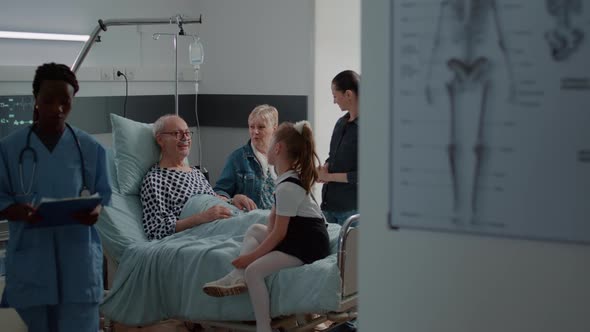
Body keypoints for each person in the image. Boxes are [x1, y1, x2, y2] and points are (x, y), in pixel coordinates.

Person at [0, 63, 112, 331]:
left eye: (65, 102)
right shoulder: (9, 149)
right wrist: (14, 210)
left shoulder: (90, 148)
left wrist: (95, 211)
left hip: (79, 262)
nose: (57, 109)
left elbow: (104, 194)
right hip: (32, 260)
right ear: (35, 100)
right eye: (48, 100)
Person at [203, 121, 330, 332]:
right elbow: (273, 222)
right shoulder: (286, 179)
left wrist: (250, 258)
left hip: (307, 245)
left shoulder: (288, 187)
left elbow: (279, 234)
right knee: (254, 229)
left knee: (254, 271)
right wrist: (259, 248)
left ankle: (263, 326)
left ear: (278, 148)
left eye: (271, 143)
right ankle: (237, 275)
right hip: (299, 237)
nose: (268, 147)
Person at [141, 114, 253, 241]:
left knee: (264, 223)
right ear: (160, 140)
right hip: (206, 229)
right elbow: (156, 230)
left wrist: (232, 200)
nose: (185, 138)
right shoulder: (155, 179)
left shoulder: (196, 172)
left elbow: (212, 201)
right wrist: (202, 218)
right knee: (263, 229)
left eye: (188, 133)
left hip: (227, 217)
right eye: (177, 133)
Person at [214, 104, 279, 210]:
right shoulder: (237, 159)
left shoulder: (283, 157)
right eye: (251, 127)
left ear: (274, 129)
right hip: (251, 220)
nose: (255, 132)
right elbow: (219, 193)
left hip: (281, 219)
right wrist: (233, 200)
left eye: (261, 127)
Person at [319, 70, 360, 227]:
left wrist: (330, 177)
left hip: (352, 209)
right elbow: (334, 156)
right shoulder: (340, 123)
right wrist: (325, 168)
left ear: (348, 94)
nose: (334, 101)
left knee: (350, 251)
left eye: (335, 96)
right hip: (329, 206)